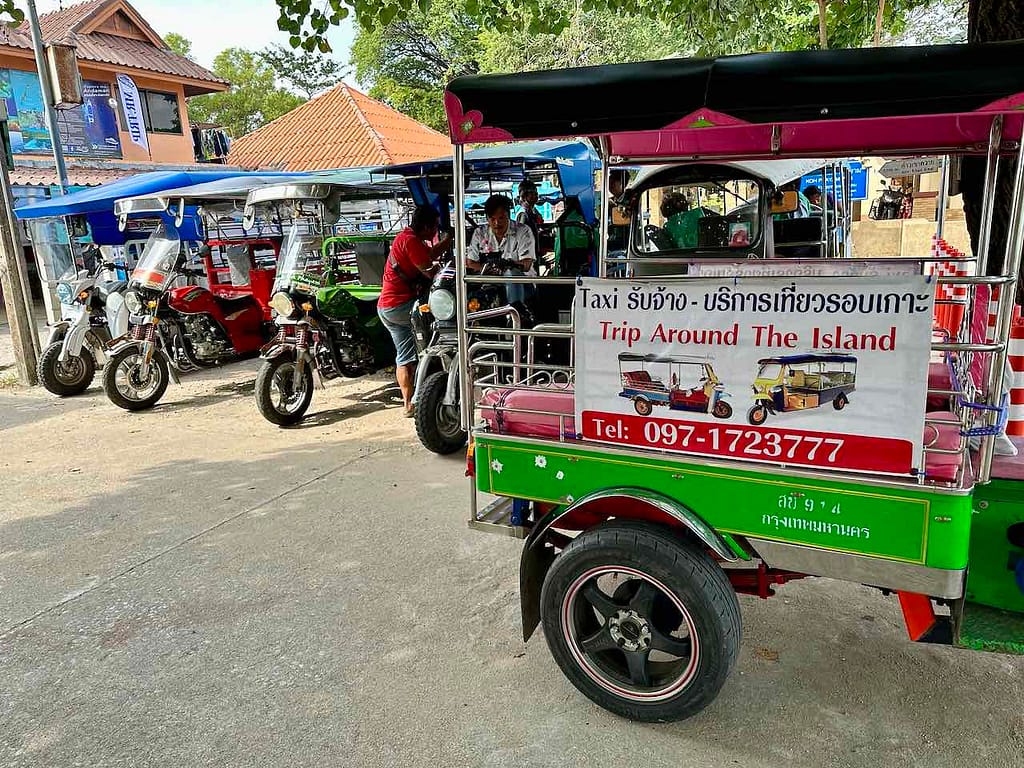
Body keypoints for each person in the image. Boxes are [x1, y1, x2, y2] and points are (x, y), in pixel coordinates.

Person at [378, 204, 451, 417]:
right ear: (426, 226)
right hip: (401, 306)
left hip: (387, 307)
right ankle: (431, 390)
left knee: (404, 357)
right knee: (433, 339)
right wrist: (441, 268)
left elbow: (429, 253)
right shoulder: (410, 241)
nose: (436, 231)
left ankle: (408, 404)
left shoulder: (406, 237)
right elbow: (429, 272)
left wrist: (447, 241)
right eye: (435, 227)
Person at [467, 194, 536, 305]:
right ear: (487, 218)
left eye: (501, 218)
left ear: (508, 216)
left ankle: (516, 314)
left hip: (522, 284)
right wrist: (486, 269)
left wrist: (507, 265)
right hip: (490, 283)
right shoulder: (479, 233)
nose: (497, 223)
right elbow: (470, 262)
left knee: (512, 274)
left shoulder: (523, 231)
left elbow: (527, 264)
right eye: (492, 219)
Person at [516, 179, 544, 258]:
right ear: (524, 196)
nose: (536, 195)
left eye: (536, 193)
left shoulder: (532, 211)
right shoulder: (523, 213)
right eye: (532, 193)